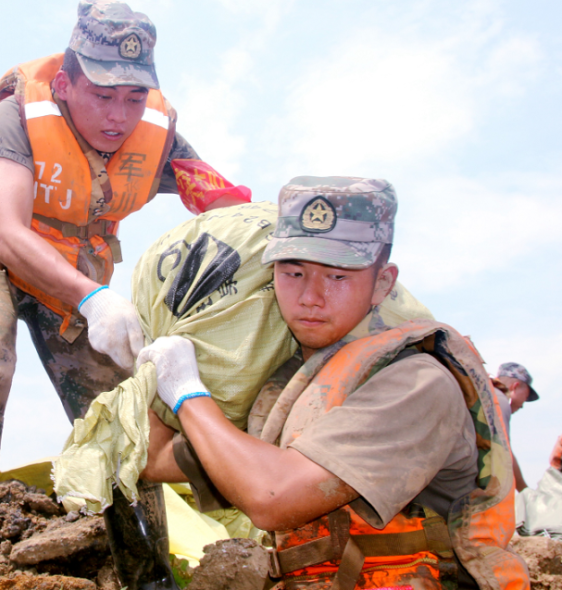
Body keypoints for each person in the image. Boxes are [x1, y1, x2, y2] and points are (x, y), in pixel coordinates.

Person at [0, 0, 250, 589]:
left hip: (70, 266)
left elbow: (222, 205)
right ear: (67, 81)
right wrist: (95, 299)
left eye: (133, 97)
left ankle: (149, 576)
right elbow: (7, 234)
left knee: (118, 402)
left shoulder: (159, 131)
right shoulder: (19, 115)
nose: (119, 115)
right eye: (102, 95)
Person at [138, 177, 528, 590]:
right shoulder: (283, 394)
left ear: (382, 283)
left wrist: (187, 393)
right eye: (293, 272)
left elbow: (272, 497)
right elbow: (156, 457)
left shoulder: (416, 382)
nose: (311, 296)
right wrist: (141, 367)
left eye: (339, 277)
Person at [492, 362, 540, 491]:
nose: (523, 405)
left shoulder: (485, 395)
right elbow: (503, 452)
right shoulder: (499, 400)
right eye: (526, 396)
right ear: (515, 386)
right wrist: (525, 492)